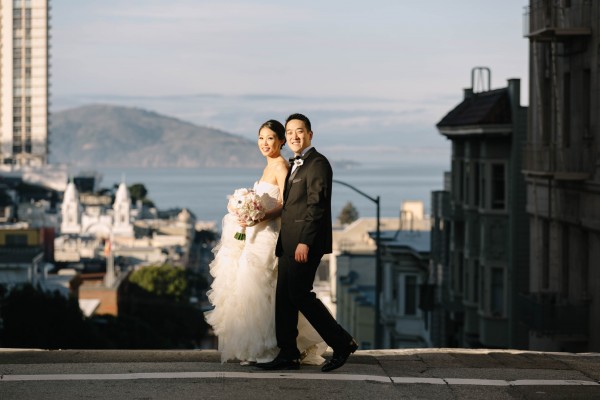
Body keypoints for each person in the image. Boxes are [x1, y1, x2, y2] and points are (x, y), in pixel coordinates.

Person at [205, 119, 326, 365]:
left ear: (281, 141)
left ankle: (271, 348)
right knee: (253, 291)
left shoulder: (281, 165)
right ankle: (257, 347)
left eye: (270, 138)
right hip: (255, 234)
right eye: (261, 138)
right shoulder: (268, 166)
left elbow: (286, 204)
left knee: (263, 291)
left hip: (269, 235)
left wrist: (260, 214)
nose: (264, 143)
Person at [256, 113, 358, 373]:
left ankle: (342, 342)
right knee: (285, 299)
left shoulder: (318, 163)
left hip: (304, 243)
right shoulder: (296, 164)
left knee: (301, 295)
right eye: (289, 132)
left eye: (299, 131)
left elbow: (317, 206)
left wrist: (305, 242)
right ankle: (288, 352)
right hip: (287, 242)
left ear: (310, 134)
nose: (293, 136)